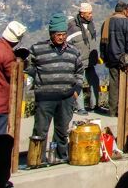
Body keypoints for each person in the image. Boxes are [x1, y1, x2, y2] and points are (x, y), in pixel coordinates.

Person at [27, 13, 84, 162]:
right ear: (51, 34)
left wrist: (76, 92)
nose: (61, 37)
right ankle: (36, 159)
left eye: (64, 34)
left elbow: (79, 72)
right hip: (45, 98)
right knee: (40, 130)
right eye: (58, 34)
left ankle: (60, 157)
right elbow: (27, 66)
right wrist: (38, 78)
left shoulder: (73, 51)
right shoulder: (38, 49)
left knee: (62, 130)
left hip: (66, 98)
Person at [0, 21, 27, 188]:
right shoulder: (6, 55)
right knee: (1, 143)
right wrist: (20, 62)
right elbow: (14, 77)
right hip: (1, 104)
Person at [100, 1, 128, 117]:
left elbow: (103, 43)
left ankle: (112, 111)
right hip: (124, 60)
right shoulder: (127, 24)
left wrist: (105, 57)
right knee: (126, 87)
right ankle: (124, 112)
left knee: (113, 86)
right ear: (124, 11)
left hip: (111, 59)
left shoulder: (106, 23)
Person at [66, 3, 100, 115]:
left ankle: (94, 105)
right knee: (78, 84)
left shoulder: (90, 24)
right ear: (82, 14)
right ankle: (80, 107)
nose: (91, 15)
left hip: (90, 60)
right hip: (78, 61)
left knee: (94, 81)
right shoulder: (72, 26)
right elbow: (68, 43)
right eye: (89, 13)